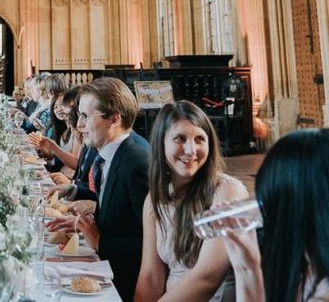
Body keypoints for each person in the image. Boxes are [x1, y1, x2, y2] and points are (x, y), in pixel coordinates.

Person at [134, 101, 247, 302]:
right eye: (180, 138)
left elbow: (208, 277)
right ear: (161, 143)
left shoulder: (227, 191)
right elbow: (151, 277)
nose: (191, 150)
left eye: (199, 139)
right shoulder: (154, 200)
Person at [48, 77, 149, 301]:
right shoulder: (111, 154)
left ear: (114, 119)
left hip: (124, 284)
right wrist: (82, 225)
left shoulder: (136, 163)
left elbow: (153, 243)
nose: (79, 124)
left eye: (85, 116)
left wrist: (100, 241)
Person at [222, 128, 329, 302]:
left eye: (271, 202)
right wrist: (246, 269)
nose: (267, 214)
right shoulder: (310, 267)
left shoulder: (322, 292)